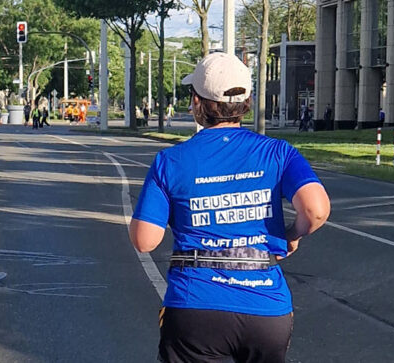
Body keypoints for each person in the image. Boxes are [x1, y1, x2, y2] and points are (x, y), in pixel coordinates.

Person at [129, 53, 331, 363]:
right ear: (246, 100)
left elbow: (145, 240)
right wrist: (293, 234)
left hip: (195, 306)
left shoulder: (170, 161)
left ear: (197, 101)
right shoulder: (278, 152)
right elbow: (316, 209)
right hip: (266, 308)